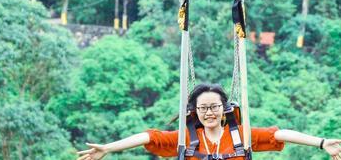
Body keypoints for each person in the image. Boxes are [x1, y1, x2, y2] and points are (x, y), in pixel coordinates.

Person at [77, 83, 341, 160]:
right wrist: (108, 148)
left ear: (224, 109)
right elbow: (150, 137)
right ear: (196, 112)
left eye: (214, 106)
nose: (209, 112)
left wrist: (321, 143)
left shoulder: (239, 136)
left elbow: (279, 135)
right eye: (203, 108)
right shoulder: (189, 139)